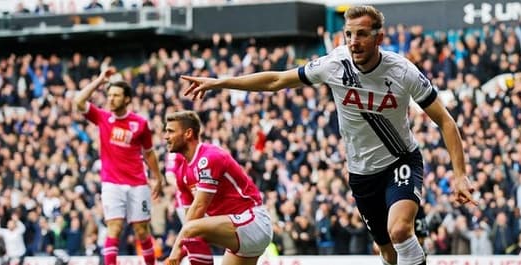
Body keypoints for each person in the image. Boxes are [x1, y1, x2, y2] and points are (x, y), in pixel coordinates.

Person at [180, 5, 477, 265]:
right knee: (387, 253)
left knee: (400, 230)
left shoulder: (402, 71)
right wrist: (219, 83)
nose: (353, 42)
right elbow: (276, 80)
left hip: (400, 160)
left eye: (361, 34)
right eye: (349, 34)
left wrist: (460, 174)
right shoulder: (334, 64)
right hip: (361, 174)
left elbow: (445, 121)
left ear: (379, 37)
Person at [74, 67, 163, 265]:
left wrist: (158, 178)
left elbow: (149, 153)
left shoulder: (140, 123)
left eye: (116, 95)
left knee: (142, 231)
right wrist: (99, 81)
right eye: (109, 95)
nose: (111, 99)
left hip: (138, 183)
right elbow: (78, 101)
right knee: (114, 227)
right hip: (112, 183)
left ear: (127, 99)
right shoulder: (103, 117)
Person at [164, 111, 273, 265]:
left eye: (171, 131)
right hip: (238, 229)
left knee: (192, 230)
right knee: (191, 229)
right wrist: (179, 251)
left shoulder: (209, 157)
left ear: (188, 133)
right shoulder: (182, 173)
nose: (165, 136)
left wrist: (176, 249)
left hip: (253, 221)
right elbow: (190, 218)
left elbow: (198, 210)